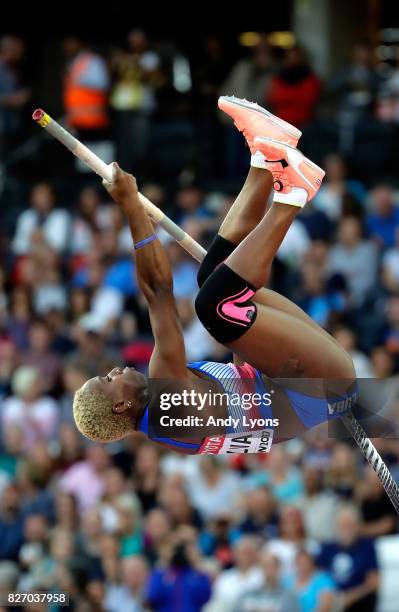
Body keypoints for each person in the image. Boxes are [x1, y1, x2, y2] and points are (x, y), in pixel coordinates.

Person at [73, 95, 356, 456]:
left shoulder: (171, 425)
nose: (114, 370)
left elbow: (251, 403)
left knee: (215, 278)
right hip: (319, 382)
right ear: (119, 407)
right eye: (108, 380)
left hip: (295, 376)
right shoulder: (168, 403)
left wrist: (248, 345)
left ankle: (267, 157)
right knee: (215, 307)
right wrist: (131, 205)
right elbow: (159, 289)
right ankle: (294, 194)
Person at [316, 505, 379, 612]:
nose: (346, 528)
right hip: (329, 600)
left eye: (350, 524)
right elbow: (317, 577)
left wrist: (349, 597)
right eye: (343, 525)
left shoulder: (367, 547)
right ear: (336, 526)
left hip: (358, 602)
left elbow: (374, 582)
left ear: (357, 526)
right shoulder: (327, 548)